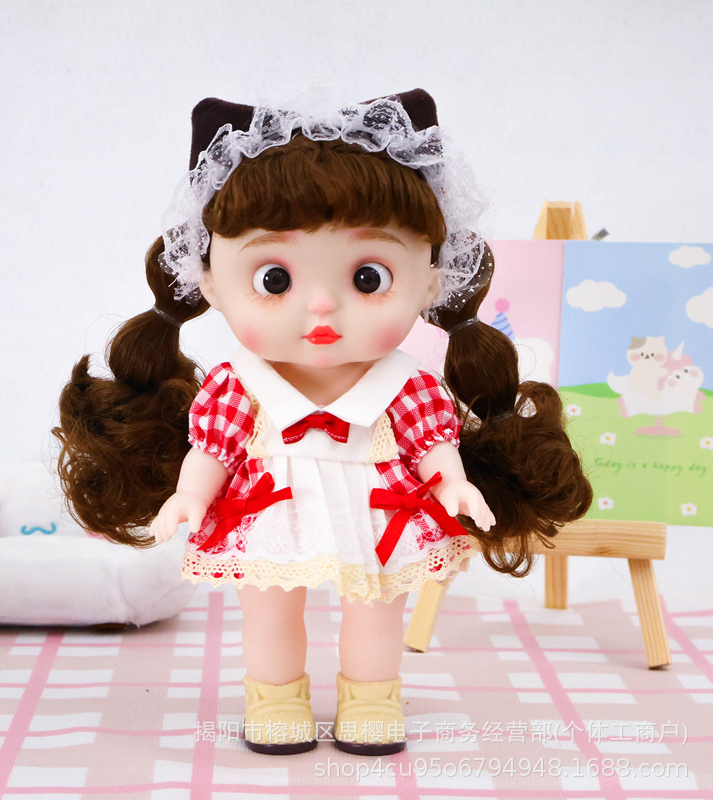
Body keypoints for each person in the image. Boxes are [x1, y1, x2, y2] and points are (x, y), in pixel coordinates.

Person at [54, 89, 592, 756]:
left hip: (378, 509)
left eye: (368, 278)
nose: (321, 307)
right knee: (269, 608)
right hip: (267, 507)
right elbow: (212, 449)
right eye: (273, 280)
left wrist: (453, 484)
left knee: (376, 608)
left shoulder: (408, 385)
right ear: (209, 283)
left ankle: (371, 700)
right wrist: (189, 494)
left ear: (432, 281)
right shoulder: (237, 385)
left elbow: (432, 443)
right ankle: (276, 699)